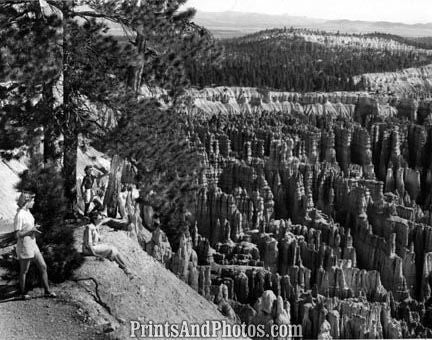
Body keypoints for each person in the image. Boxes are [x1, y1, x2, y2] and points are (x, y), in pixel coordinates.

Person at [14, 191, 56, 300]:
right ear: (27, 201)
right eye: (32, 200)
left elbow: (29, 227)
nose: (34, 202)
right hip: (25, 246)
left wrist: (34, 228)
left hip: (33, 244)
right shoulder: (20, 215)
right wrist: (31, 230)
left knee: (43, 266)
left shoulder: (28, 212)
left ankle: (47, 291)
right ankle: (23, 293)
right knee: (24, 271)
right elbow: (17, 234)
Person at [82, 211, 133, 277]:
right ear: (95, 219)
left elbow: (97, 238)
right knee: (111, 249)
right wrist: (95, 255)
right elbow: (89, 245)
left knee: (114, 248)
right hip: (88, 249)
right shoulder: (89, 227)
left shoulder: (94, 227)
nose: (101, 218)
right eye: (99, 217)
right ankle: (124, 268)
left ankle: (125, 267)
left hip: (93, 247)